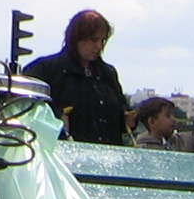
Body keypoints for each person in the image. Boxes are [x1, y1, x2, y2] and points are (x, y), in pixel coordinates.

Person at [25, 10, 129, 144]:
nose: (99, 46)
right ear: (77, 38)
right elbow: (26, 107)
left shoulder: (108, 74)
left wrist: (127, 118)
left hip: (108, 155)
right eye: (94, 40)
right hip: (65, 154)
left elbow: (120, 113)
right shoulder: (46, 69)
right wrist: (56, 115)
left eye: (102, 40)